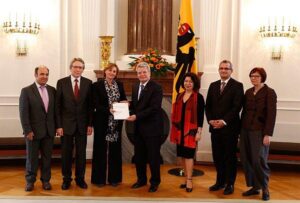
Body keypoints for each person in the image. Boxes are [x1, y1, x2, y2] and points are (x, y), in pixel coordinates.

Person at [205, 60, 244, 195]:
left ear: (231, 71)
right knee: (217, 156)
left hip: (230, 128)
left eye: (226, 68)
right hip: (215, 128)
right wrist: (210, 120)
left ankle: (230, 184)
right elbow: (208, 106)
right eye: (221, 68)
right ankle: (220, 182)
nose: (223, 70)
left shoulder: (238, 86)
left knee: (229, 157)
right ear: (219, 70)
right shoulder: (213, 85)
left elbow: (236, 107)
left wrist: (224, 121)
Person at [55, 57, 93, 190]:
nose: (78, 69)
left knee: (81, 154)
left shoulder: (89, 83)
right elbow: (57, 106)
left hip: (82, 125)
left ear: (83, 69)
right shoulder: (61, 82)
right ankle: (66, 179)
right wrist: (58, 126)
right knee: (66, 154)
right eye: (75, 67)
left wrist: (90, 124)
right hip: (66, 126)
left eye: (80, 67)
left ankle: (80, 179)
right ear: (70, 68)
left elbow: (90, 106)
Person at [240, 67, 277, 201]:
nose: (253, 78)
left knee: (258, 160)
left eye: (256, 76)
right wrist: (240, 131)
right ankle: (255, 187)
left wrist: (267, 134)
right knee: (246, 159)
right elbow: (244, 112)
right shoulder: (248, 92)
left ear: (262, 77)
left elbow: (271, 115)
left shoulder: (270, 92)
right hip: (245, 129)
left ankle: (265, 188)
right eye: (251, 76)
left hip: (260, 131)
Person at [127, 62, 163, 193]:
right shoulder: (136, 86)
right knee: (139, 156)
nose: (142, 74)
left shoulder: (157, 87)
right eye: (139, 72)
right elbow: (138, 104)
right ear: (137, 74)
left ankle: (154, 182)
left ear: (149, 73)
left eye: (144, 72)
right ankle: (141, 180)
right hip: (138, 128)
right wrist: (128, 104)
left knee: (153, 157)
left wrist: (136, 116)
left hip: (152, 129)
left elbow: (154, 108)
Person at [19, 65, 56, 191]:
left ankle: (46, 181)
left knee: (47, 158)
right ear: (35, 75)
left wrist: (56, 127)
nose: (44, 77)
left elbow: (54, 111)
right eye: (42, 74)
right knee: (32, 158)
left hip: (49, 131)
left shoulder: (52, 90)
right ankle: (30, 181)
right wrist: (27, 130)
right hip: (33, 132)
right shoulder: (26, 91)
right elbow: (23, 113)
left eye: (46, 74)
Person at [91, 63, 127, 187]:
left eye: (114, 71)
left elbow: (122, 99)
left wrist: (125, 103)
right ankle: (99, 180)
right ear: (105, 71)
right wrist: (109, 110)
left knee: (115, 150)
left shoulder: (120, 85)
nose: (112, 73)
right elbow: (95, 104)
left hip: (116, 122)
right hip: (102, 121)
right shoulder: (97, 85)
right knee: (100, 149)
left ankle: (114, 179)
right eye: (110, 70)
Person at [170, 72, 205, 193]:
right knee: (183, 156)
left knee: (189, 156)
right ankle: (185, 179)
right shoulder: (179, 96)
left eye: (190, 81)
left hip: (191, 132)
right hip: (179, 131)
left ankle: (190, 180)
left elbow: (200, 117)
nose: (188, 83)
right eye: (186, 81)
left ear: (194, 83)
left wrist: (199, 132)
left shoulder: (198, 97)